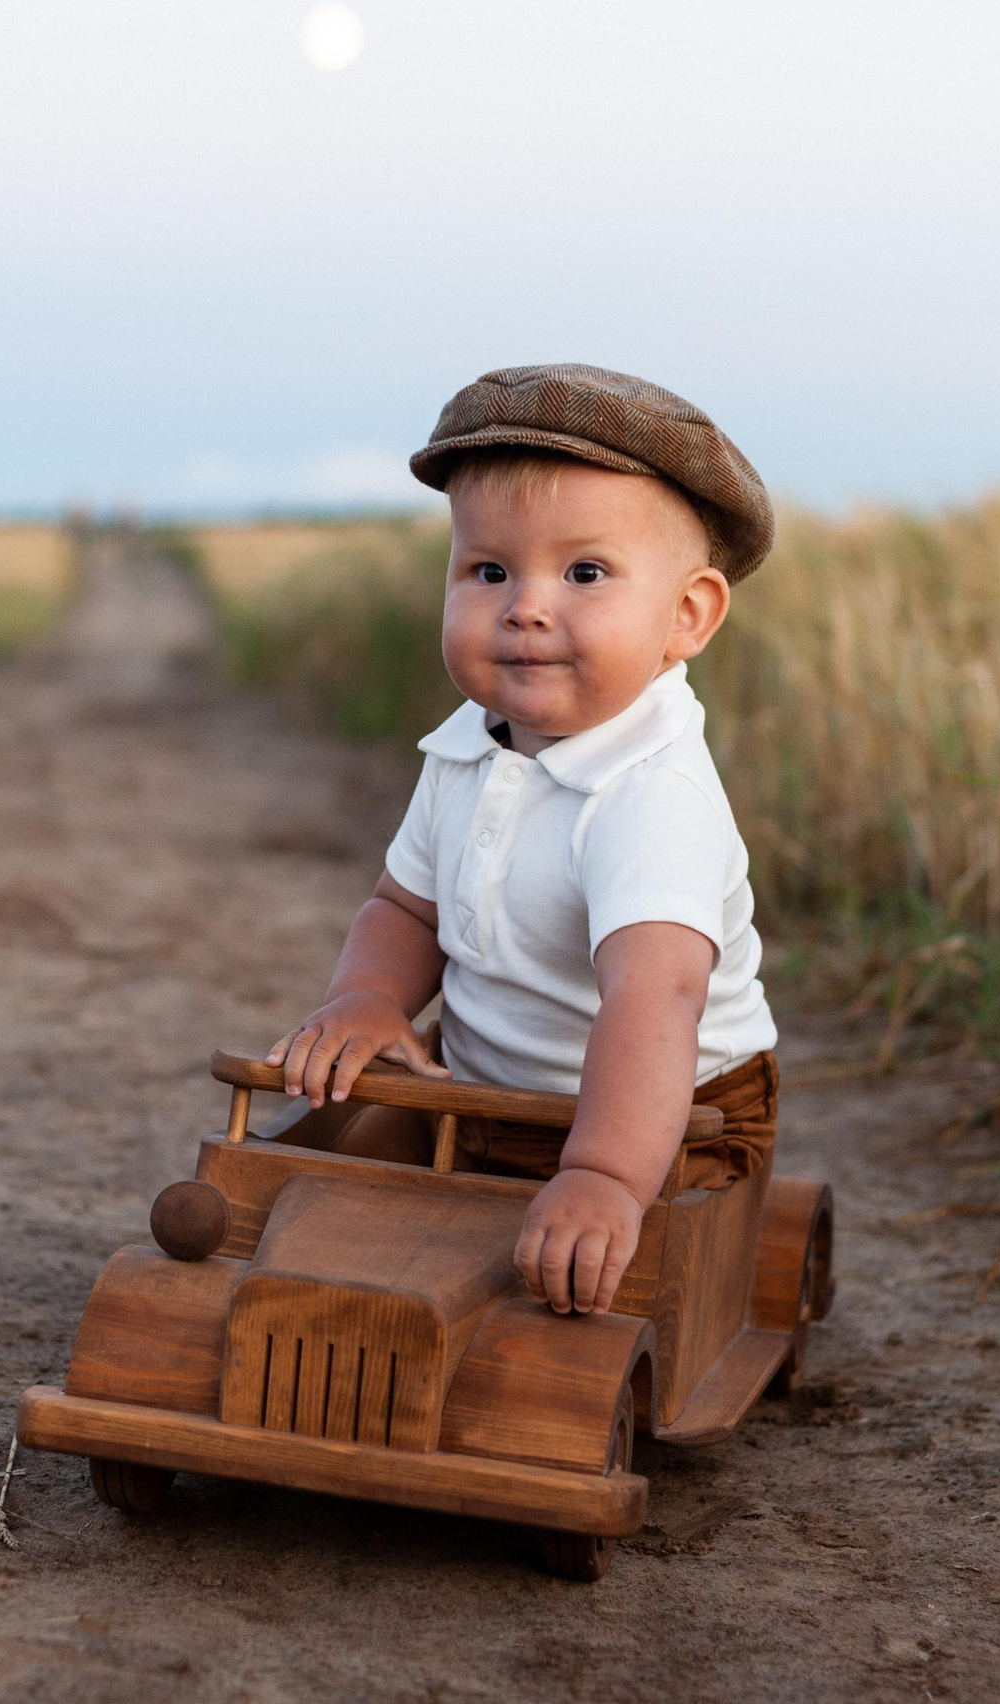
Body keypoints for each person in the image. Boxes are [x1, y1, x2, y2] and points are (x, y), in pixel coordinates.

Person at [264, 363, 782, 1321]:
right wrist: (370, 998)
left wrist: (604, 1175)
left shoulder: (649, 795)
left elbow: (656, 996)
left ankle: (580, 1226)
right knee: (303, 1179)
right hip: (486, 1086)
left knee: (566, 1294)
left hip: (666, 1118)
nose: (526, 606)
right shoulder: (467, 745)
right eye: (488, 571)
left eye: (585, 573)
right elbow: (405, 905)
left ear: (688, 615)